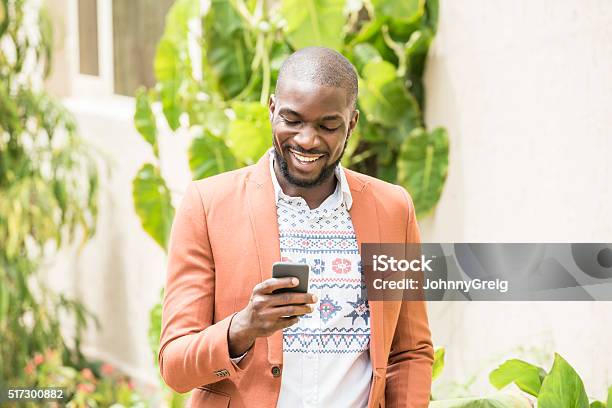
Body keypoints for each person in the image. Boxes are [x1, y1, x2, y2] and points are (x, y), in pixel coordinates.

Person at [159, 46, 434, 408]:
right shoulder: (207, 205)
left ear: (351, 123)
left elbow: (409, 351)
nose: (307, 139)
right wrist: (244, 327)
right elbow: (175, 366)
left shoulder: (392, 210)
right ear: (272, 109)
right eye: (292, 120)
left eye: (327, 125)